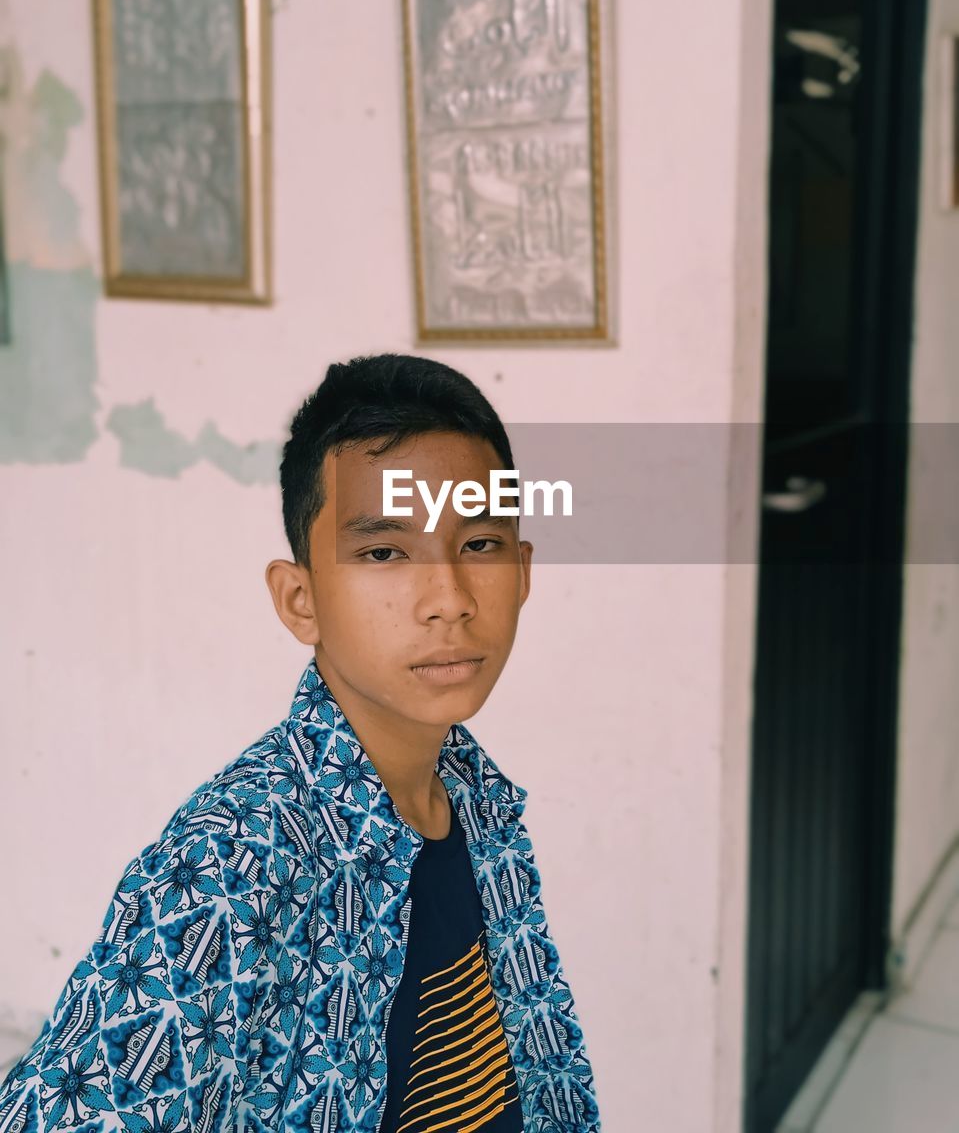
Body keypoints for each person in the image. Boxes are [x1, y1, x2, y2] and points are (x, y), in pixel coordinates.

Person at [0, 352, 602, 1133]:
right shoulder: (232, 859)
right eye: (384, 553)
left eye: (480, 544)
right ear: (300, 599)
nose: (449, 599)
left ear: (522, 573)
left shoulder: (475, 800)